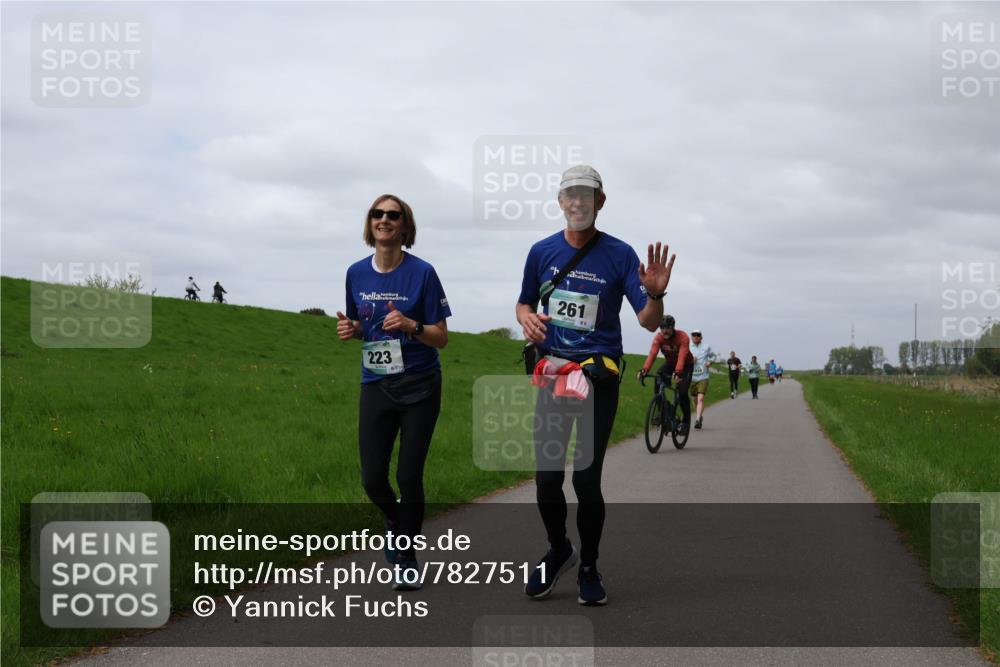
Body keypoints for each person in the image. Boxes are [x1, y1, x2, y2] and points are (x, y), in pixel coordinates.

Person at [516, 165, 674, 606]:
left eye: (587, 195)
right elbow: (525, 300)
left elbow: (648, 321)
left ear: (600, 202)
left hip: (596, 380)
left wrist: (656, 295)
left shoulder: (620, 256)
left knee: (586, 481)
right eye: (570, 195)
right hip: (553, 376)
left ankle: (588, 565)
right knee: (547, 481)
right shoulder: (541, 251)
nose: (578, 202)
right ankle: (558, 549)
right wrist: (525, 317)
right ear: (560, 201)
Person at [336, 194, 451, 591]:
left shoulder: (423, 273)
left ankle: (406, 555)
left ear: (405, 226)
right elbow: (361, 324)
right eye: (377, 214)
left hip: (420, 385)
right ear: (370, 224)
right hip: (376, 385)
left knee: (408, 475)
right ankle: (394, 519)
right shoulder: (355, 273)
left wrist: (411, 326)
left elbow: (441, 338)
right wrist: (351, 331)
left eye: (393, 215)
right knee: (372, 479)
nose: (384, 220)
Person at [637, 315, 693, 433]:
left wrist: (678, 372)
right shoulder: (659, 338)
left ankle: (686, 422)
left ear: (673, 327)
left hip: (686, 366)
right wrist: (644, 370)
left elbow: (682, 356)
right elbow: (652, 354)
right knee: (658, 379)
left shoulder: (683, 337)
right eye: (661, 328)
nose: (664, 331)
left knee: (682, 393)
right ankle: (664, 412)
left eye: (667, 327)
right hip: (670, 364)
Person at [689, 330, 715, 429]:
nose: (696, 337)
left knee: (701, 398)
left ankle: (698, 419)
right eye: (694, 335)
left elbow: (714, 356)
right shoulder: (687, 347)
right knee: (695, 400)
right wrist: (690, 360)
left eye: (698, 335)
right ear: (691, 337)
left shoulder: (706, 347)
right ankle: (699, 415)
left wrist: (710, 362)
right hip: (692, 378)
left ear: (701, 337)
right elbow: (681, 358)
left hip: (703, 377)